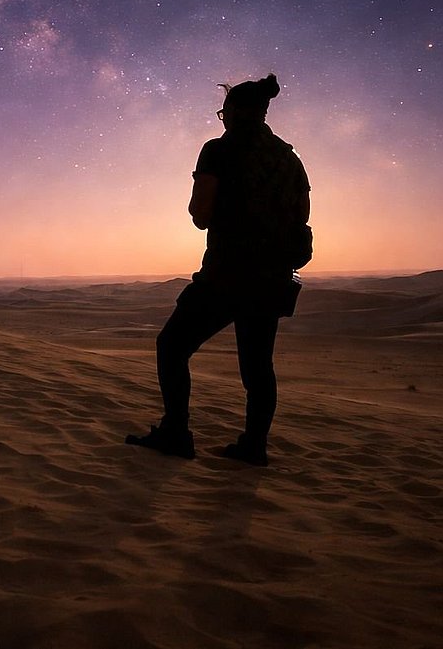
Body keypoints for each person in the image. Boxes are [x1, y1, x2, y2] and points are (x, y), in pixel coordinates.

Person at [126, 73, 310, 465]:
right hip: (273, 278)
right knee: (258, 366)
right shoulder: (289, 158)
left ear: (233, 113)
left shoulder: (218, 150)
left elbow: (201, 214)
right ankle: (254, 446)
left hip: (228, 274)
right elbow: (302, 215)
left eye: (223, 112)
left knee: (171, 346)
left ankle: (176, 432)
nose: (221, 119)